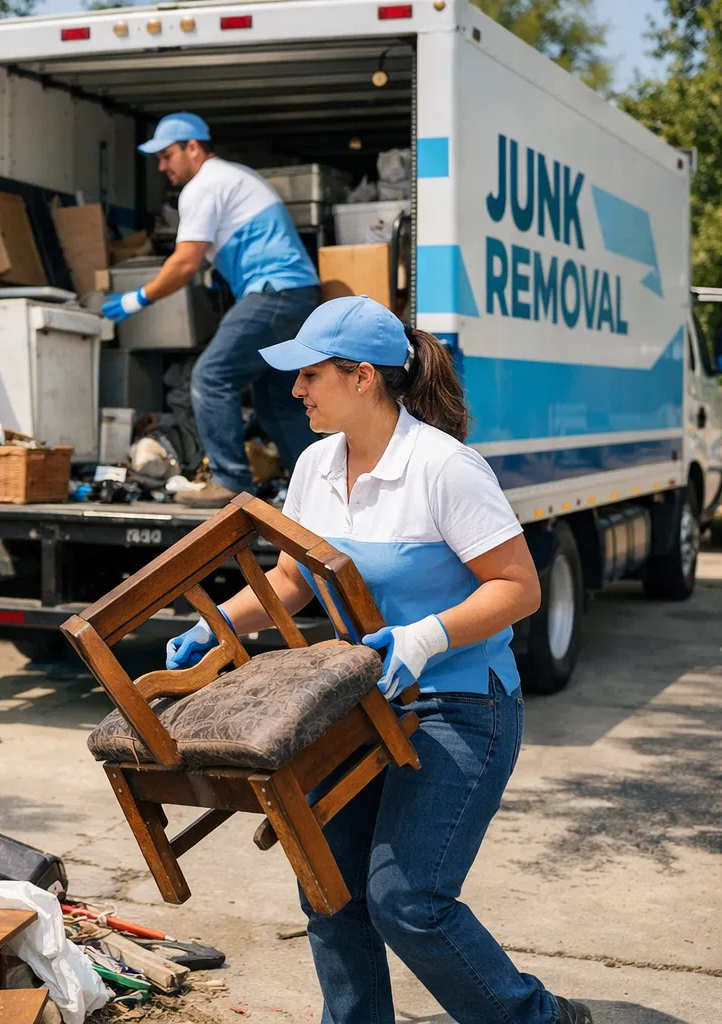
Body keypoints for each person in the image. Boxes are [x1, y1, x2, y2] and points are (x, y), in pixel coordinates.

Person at [164, 296, 590, 1024]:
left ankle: (539, 1019)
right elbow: (295, 578)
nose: (295, 390)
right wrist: (215, 623)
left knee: (409, 902)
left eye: (309, 375)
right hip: (358, 706)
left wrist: (423, 637)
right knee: (329, 889)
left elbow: (517, 588)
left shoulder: (444, 468)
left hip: (459, 706)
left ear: (362, 377)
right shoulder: (315, 465)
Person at [102, 112, 322, 506]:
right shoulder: (235, 177)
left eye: (167, 155)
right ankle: (321, 491)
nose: (162, 166)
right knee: (278, 404)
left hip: (274, 294)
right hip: (295, 295)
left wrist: (135, 299)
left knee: (211, 376)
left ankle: (231, 482)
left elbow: (186, 262)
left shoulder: (204, 185)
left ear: (193, 147)